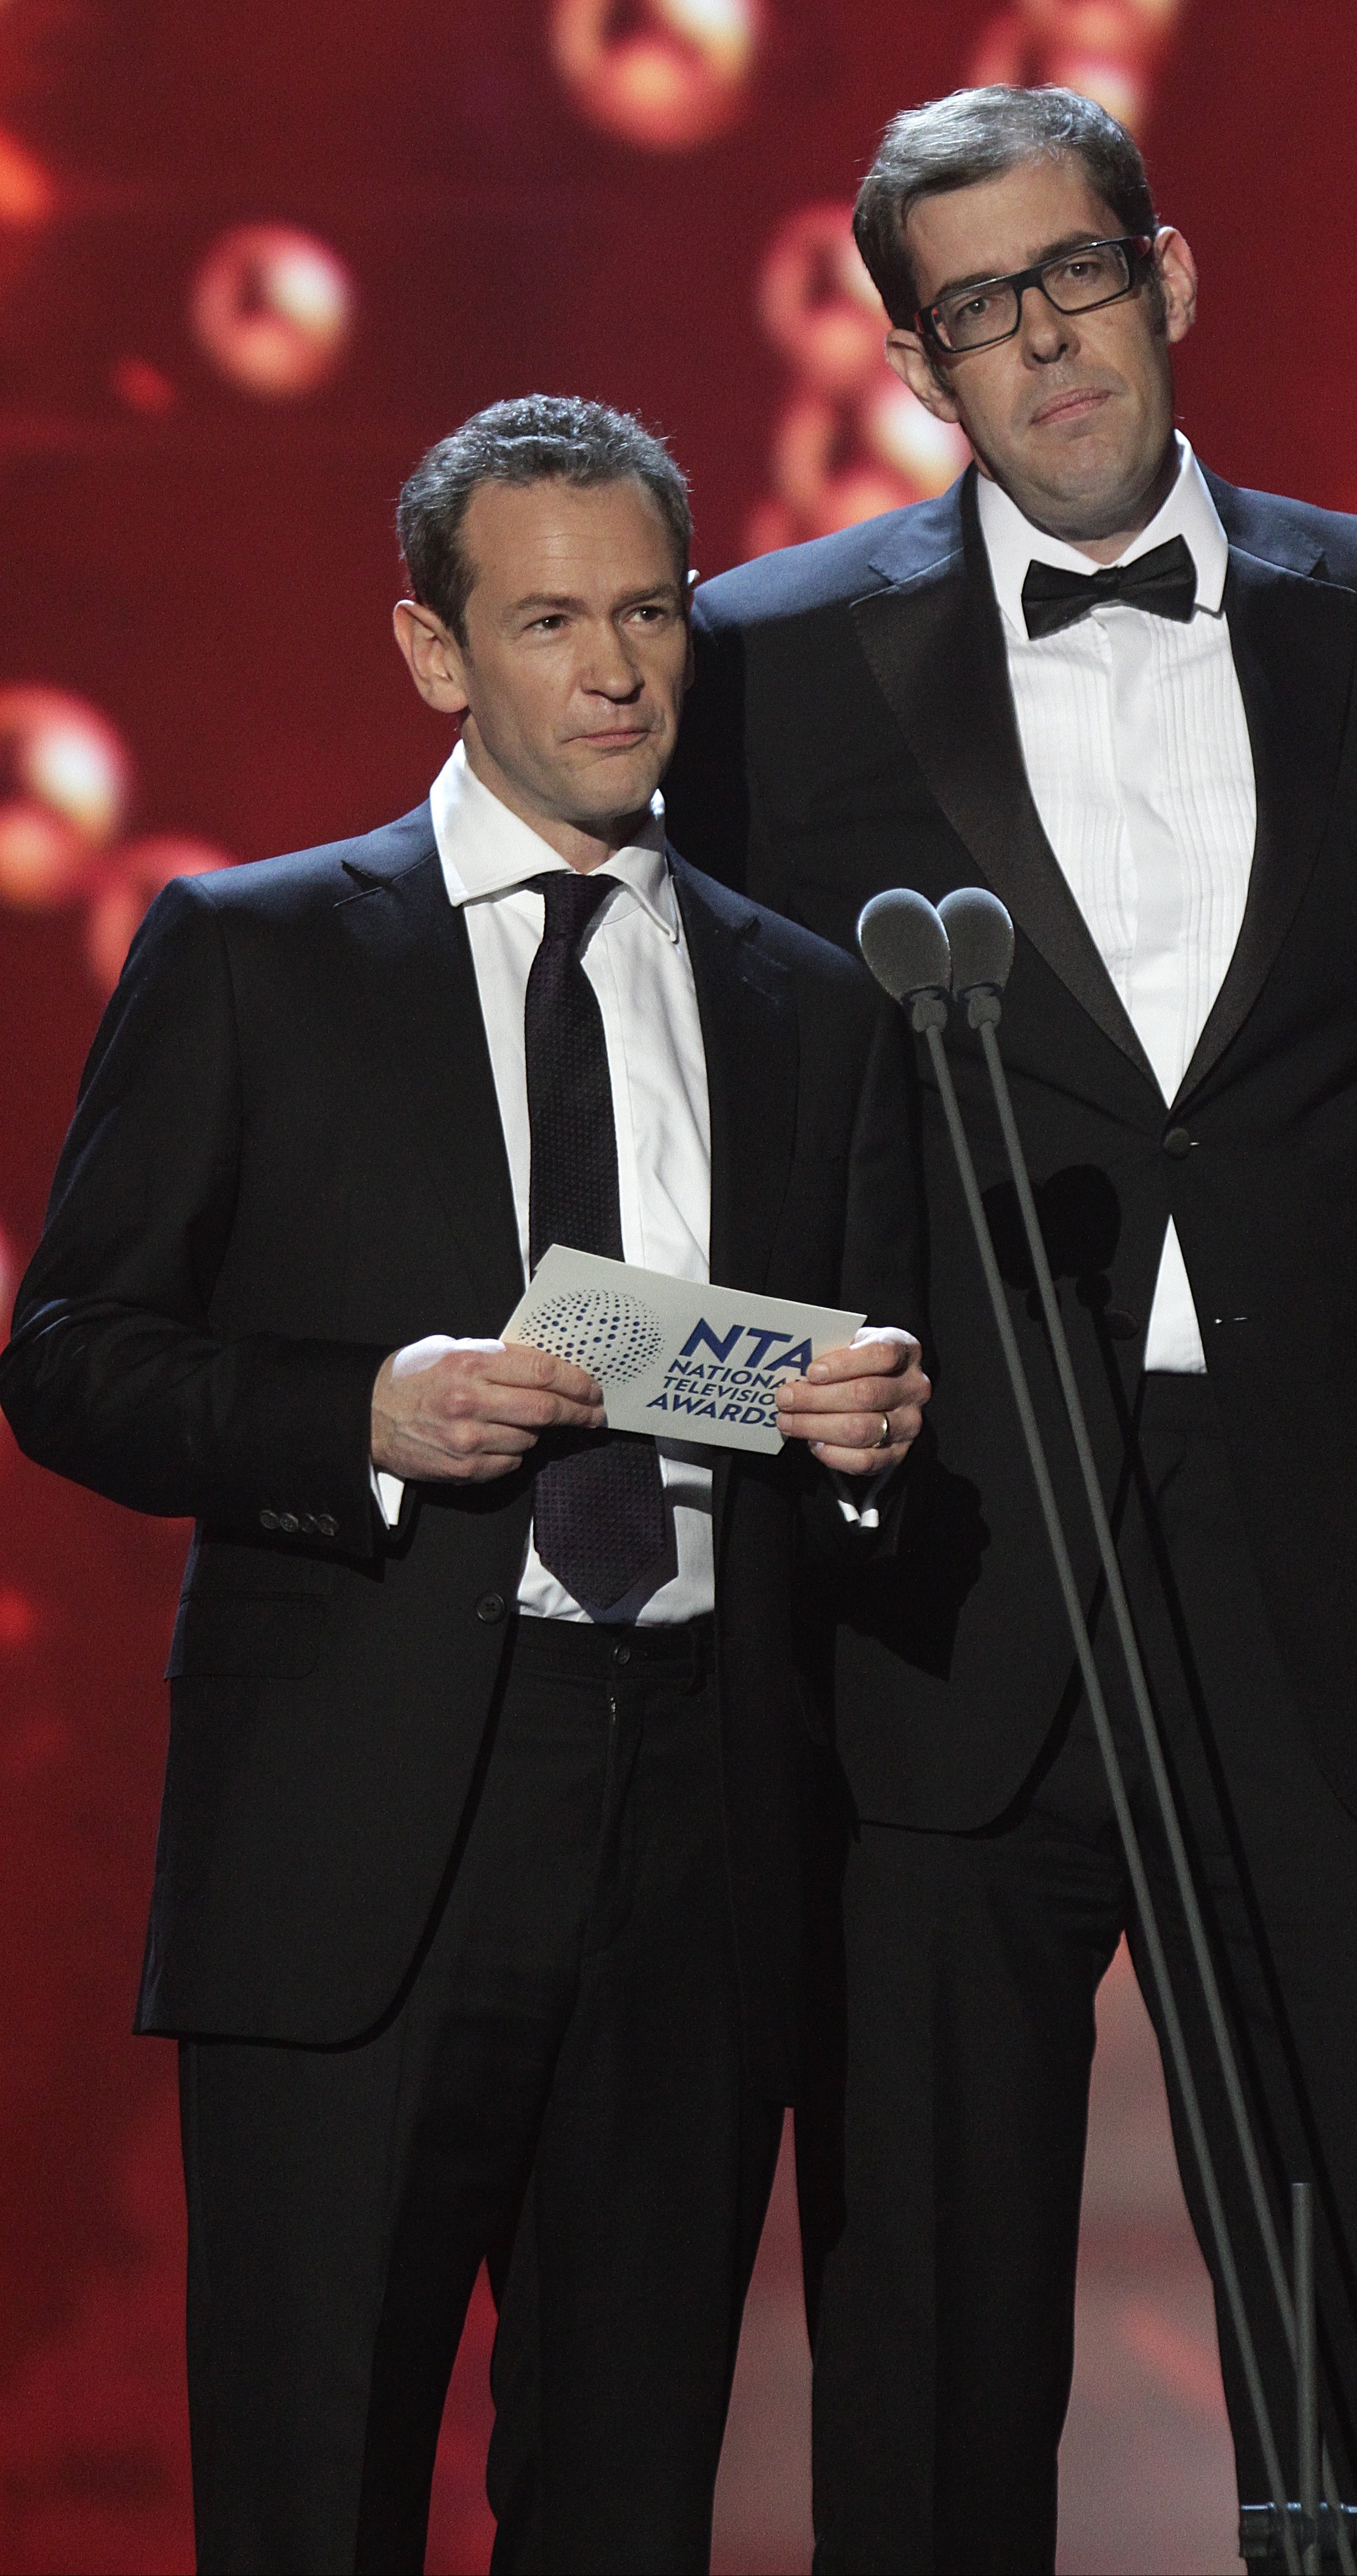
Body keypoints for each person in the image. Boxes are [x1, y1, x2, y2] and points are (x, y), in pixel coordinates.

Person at [664, 86, 1357, 2576]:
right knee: (933, 2286)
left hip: (1324, 1554)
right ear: (910, 361)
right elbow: (718, 1112)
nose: (1040, 337)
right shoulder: (757, 669)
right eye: (974, 305)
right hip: (946, 1562)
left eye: (1071, 274)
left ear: (1166, 275)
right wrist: (808, 1458)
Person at [0, 392, 930, 2575]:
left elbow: (859, 1408)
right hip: (371, 1822)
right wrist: (364, 1412)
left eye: (644, 613)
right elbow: (68, 1363)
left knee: (627, 2500)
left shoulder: (809, 1002)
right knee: (316, 2489)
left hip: (704, 1817)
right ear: (433, 651)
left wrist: (878, 1435)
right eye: (544, 620)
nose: (611, 669)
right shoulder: (255, 952)